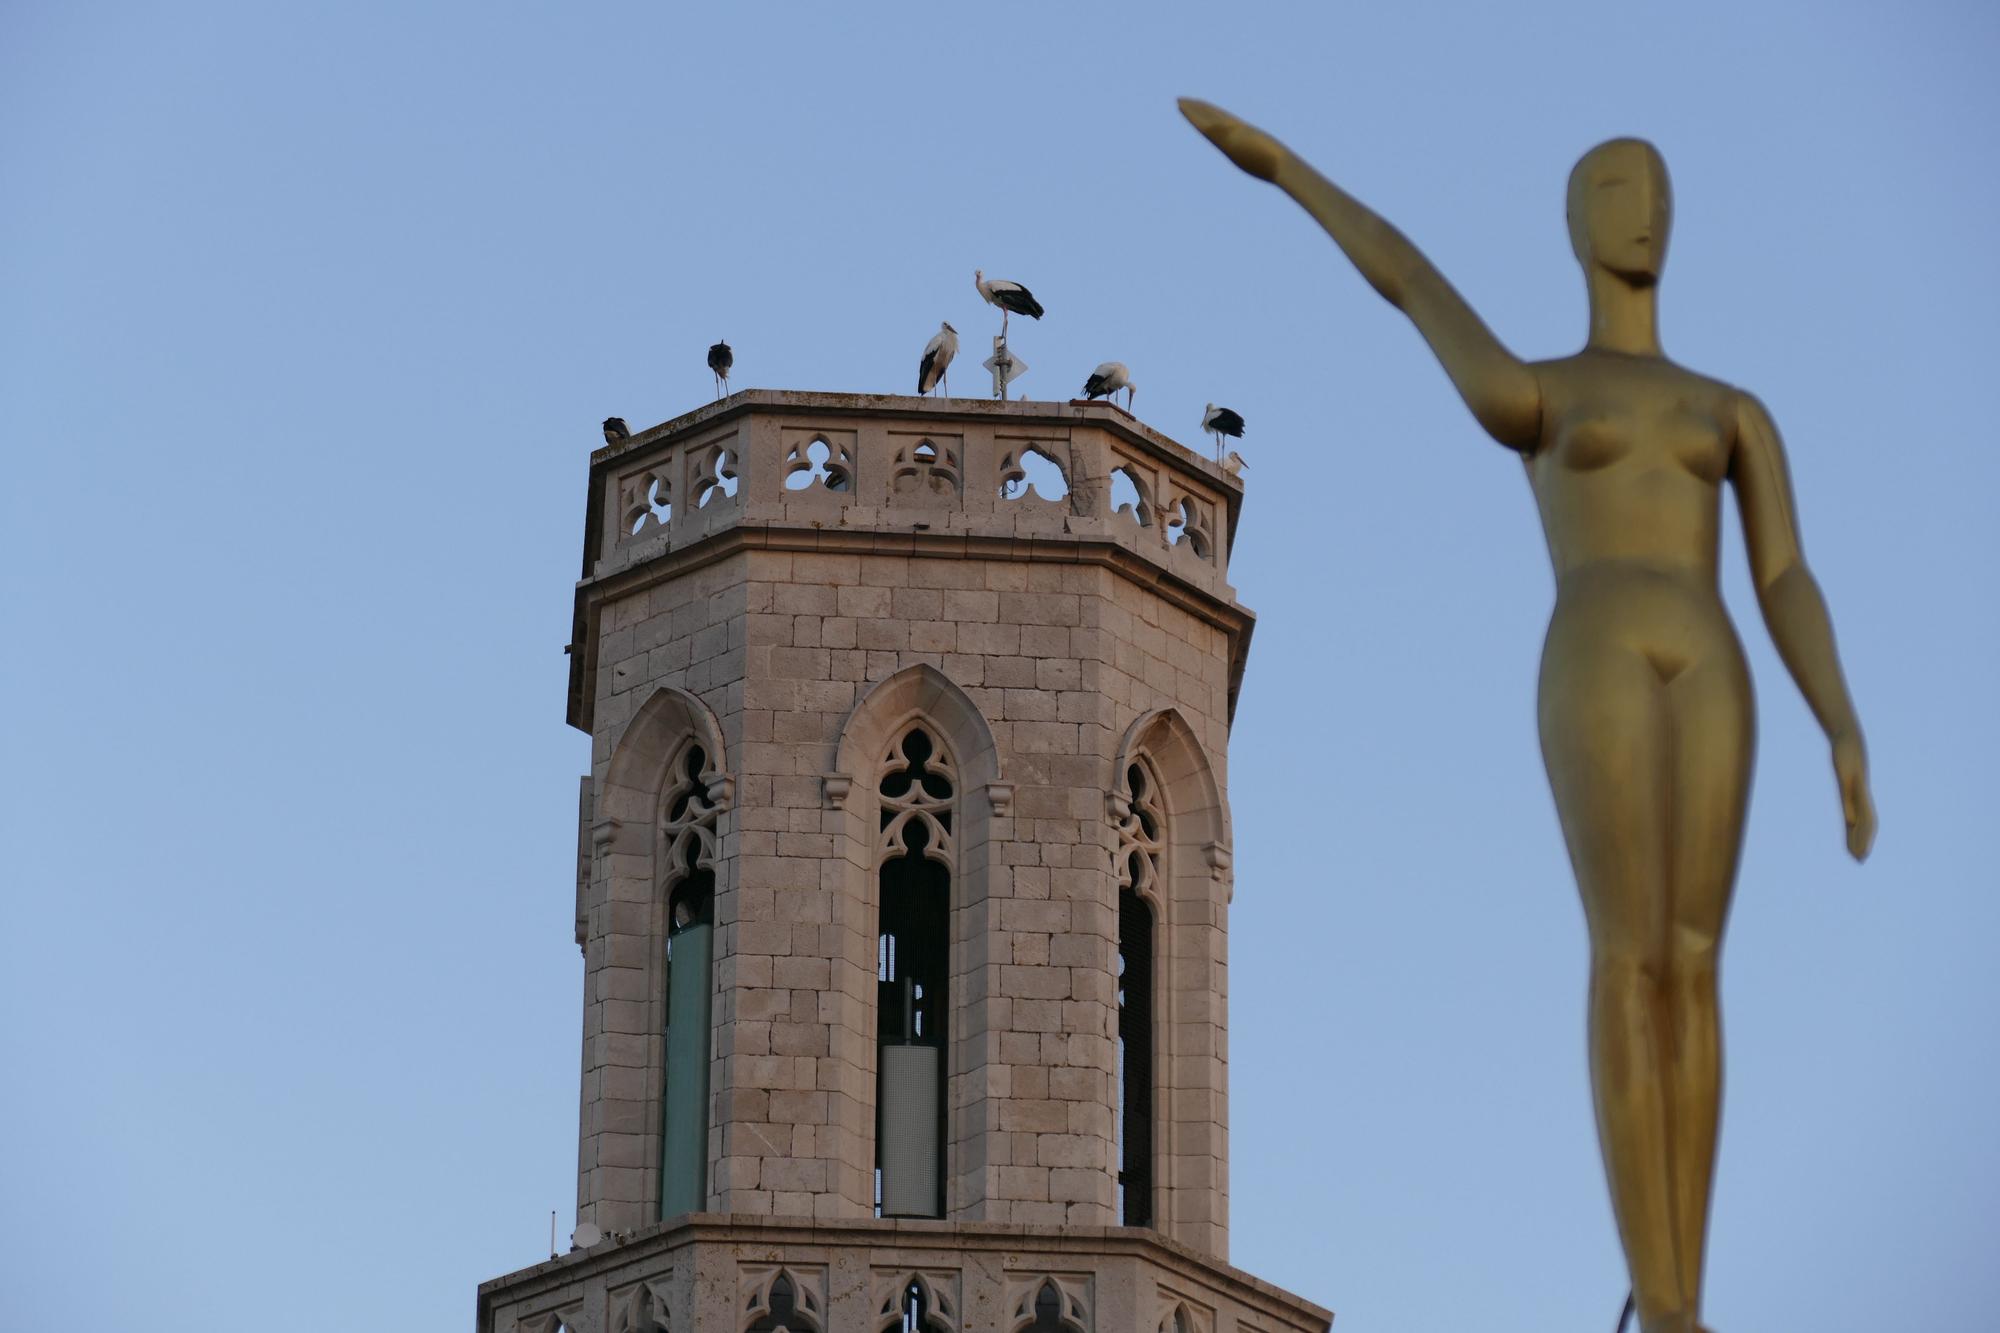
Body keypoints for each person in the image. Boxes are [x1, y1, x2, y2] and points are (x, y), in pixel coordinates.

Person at [1178, 99, 1875, 1333]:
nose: (1642, 212)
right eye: (1614, 190)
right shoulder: (1541, 393)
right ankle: (1657, 1295)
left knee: (1697, 965)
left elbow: (1782, 575)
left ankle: (1685, 1293)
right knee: (1629, 955)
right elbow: (1405, 279)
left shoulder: (1729, 408)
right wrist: (1286, 169)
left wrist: (1839, 723)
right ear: (1573, 223)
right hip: (1599, 645)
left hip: (1711, 657)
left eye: (1654, 190)